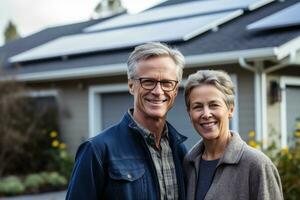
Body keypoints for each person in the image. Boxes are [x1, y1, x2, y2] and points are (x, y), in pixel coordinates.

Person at [66, 42, 187, 200]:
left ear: (175, 90)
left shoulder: (180, 151)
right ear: (131, 85)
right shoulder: (97, 151)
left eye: (166, 83)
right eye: (148, 81)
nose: (158, 91)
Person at [183, 70, 283, 200]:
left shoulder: (257, 165)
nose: (206, 114)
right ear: (189, 114)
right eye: (198, 107)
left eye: (214, 105)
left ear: (230, 110)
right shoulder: (188, 164)